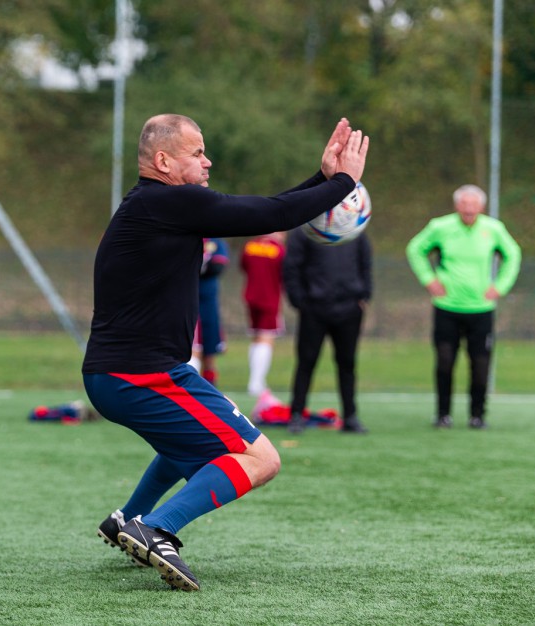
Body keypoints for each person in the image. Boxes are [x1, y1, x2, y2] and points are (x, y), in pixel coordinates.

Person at [84, 113, 369, 591]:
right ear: (163, 161)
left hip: (123, 374)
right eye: (197, 153)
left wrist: (323, 179)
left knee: (192, 446)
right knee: (261, 459)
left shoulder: (157, 204)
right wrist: (342, 182)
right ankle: (156, 527)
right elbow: (269, 215)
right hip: (139, 376)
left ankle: (127, 519)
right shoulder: (169, 203)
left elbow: (272, 209)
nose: (207, 160)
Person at [405, 184, 521, 430]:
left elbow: (513, 255)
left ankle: (477, 416)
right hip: (447, 308)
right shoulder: (440, 227)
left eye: (473, 204)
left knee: (480, 365)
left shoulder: (493, 229)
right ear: (457, 206)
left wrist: (500, 286)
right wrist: (429, 279)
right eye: (464, 204)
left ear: (481, 206)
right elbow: (415, 249)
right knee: (445, 362)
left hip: (481, 310)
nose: (469, 209)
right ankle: (443, 415)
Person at [282, 229, 373, 435]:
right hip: (314, 308)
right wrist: (300, 301)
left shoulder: (354, 231)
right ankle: (297, 415)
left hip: (349, 308)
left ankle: (350, 416)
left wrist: (364, 294)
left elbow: (365, 263)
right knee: (306, 362)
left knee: (347, 363)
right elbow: (291, 267)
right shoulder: (306, 231)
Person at [240, 231, 286, 399]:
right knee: (266, 338)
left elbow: (243, 266)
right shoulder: (279, 249)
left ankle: (255, 380)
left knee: (256, 337)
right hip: (269, 298)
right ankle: (256, 382)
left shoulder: (250, 245)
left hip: (250, 296)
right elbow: (285, 274)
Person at [189, 238, 228, 386]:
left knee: (210, 351)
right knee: (192, 348)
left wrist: (198, 265)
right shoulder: (186, 236)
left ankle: (210, 388)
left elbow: (218, 266)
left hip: (208, 302)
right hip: (186, 301)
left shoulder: (215, 241)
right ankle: (190, 387)